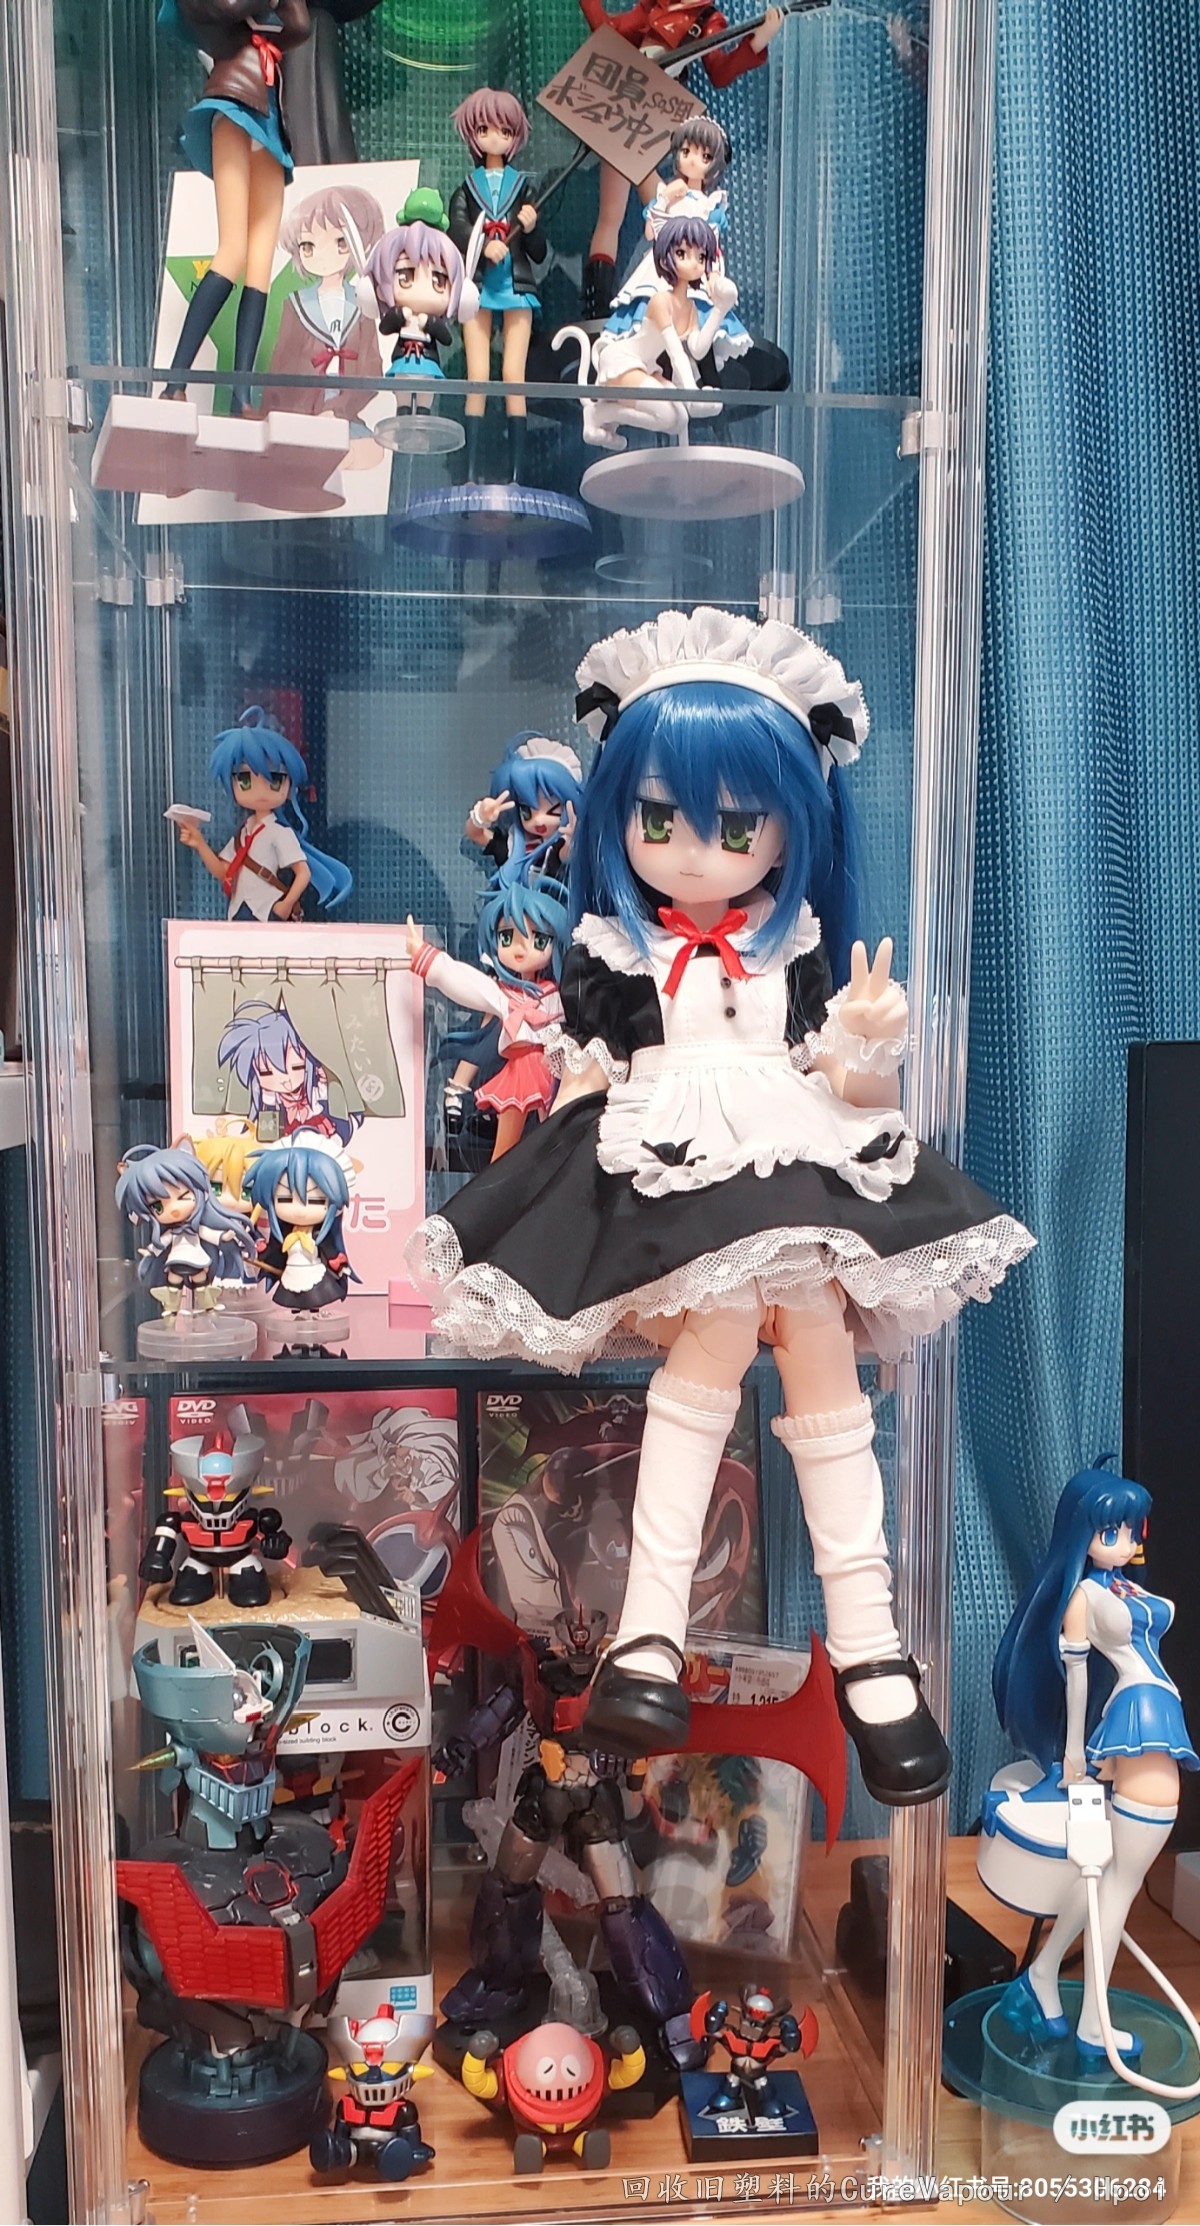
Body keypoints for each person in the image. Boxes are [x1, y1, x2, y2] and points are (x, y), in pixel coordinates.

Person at [410, 606, 1034, 1804]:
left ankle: (851, 1645)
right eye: (661, 820)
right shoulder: (613, 954)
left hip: (788, 1149)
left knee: (805, 1326)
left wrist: (867, 1048)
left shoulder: (800, 952)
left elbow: (842, 1089)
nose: (697, 851)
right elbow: (587, 1076)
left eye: (736, 825)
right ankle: (685, 1633)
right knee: (731, 1321)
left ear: (794, 824)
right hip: (670, 1162)